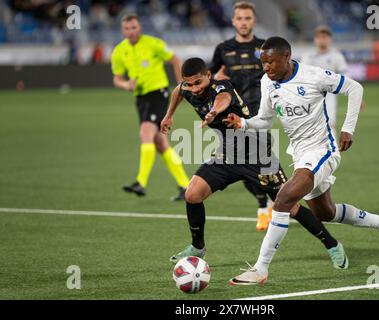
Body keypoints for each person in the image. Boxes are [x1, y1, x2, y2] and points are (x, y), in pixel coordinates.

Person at [225, 37, 379, 285]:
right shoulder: (268, 82)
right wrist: (243, 123)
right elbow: (265, 120)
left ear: (286, 57)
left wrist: (348, 128)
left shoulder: (313, 75)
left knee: (284, 198)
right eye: (263, 62)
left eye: (270, 62)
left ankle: (260, 269)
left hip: (323, 150)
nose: (266, 68)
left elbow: (355, 88)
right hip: (299, 154)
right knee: (325, 212)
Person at [161, 57, 349, 269]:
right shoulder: (186, 87)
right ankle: (198, 247)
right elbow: (178, 90)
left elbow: (223, 99)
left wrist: (214, 111)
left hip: (258, 154)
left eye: (198, 83)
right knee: (192, 194)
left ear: (208, 75)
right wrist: (169, 115)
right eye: (189, 84)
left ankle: (332, 245)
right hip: (228, 154)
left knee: (291, 207)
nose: (194, 89)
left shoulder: (222, 87)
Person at [111, 13, 190, 200]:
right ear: (122, 30)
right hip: (141, 98)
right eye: (127, 28)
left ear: (140, 28)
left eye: (134, 27)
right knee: (160, 143)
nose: (131, 31)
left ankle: (141, 182)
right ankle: (185, 185)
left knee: (145, 133)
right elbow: (117, 79)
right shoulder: (119, 51)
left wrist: (182, 86)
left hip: (158, 94)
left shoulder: (153, 43)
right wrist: (125, 85)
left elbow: (175, 60)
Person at [209, 1, 272, 230]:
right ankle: (265, 204)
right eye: (240, 18)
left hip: (260, 113)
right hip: (234, 116)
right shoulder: (223, 48)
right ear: (233, 21)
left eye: (247, 18)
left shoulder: (265, 47)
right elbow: (210, 77)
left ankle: (267, 206)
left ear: (253, 21)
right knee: (242, 165)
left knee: (262, 162)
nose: (244, 22)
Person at [301, 25, 347, 130]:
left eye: (325, 37)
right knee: (310, 127)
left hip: (330, 94)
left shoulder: (336, 56)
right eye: (319, 37)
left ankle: (331, 146)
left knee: (330, 125)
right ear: (315, 39)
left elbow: (345, 77)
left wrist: (355, 95)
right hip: (311, 95)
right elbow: (302, 76)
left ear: (330, 39)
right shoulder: (308, 56)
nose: (322, 40)